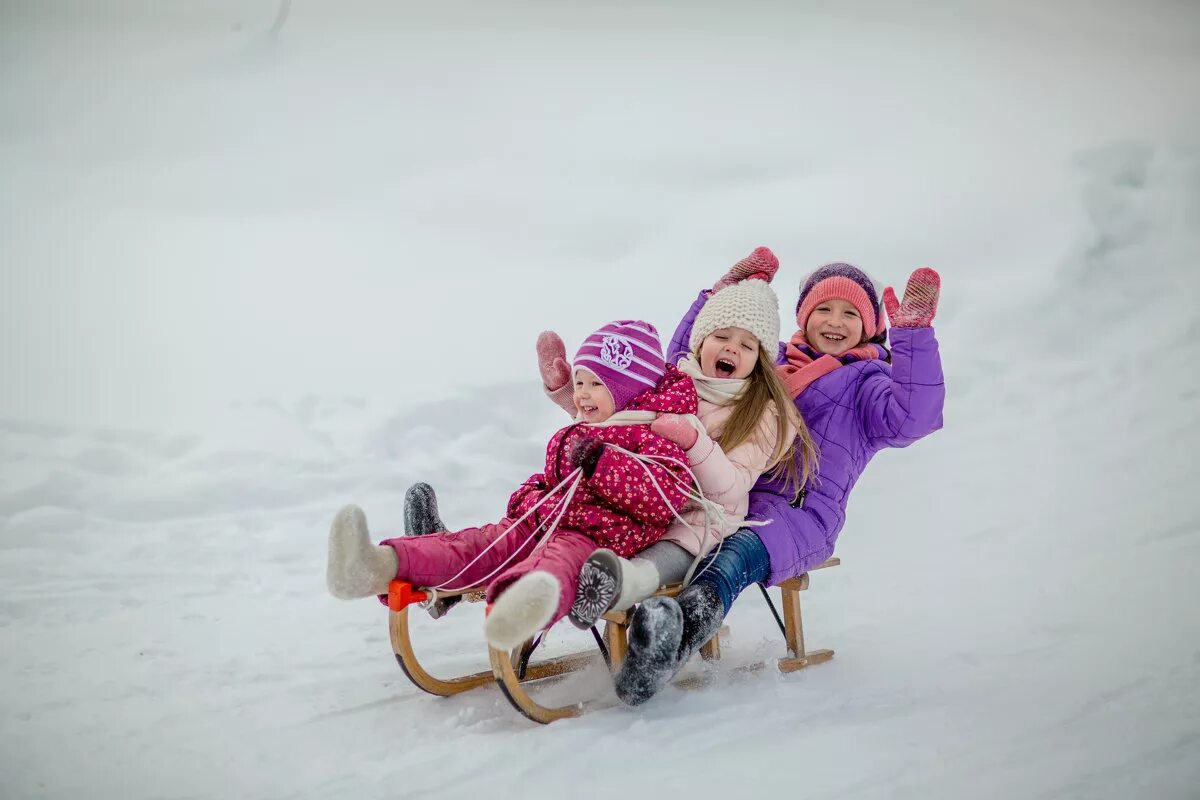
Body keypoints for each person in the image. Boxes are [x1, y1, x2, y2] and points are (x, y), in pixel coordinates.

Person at [613, 262, 945, 705]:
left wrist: (913, 339)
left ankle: (678, 631)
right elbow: (689, 373)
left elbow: (913, 418)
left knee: (736, 553)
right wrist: (720, 297)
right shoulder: (770, 361)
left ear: (869, 327)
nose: (834, 321)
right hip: (725, 491)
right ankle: (618, 601)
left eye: (850, 314)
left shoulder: (869, 384)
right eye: (824, 308)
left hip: (798, 514)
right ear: (803, 315)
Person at [325, 320, 697, 651]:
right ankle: (375, 566)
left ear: (629, 389)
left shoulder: (657, 437)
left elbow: (659, 500)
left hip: (595, 536)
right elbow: (555, 479)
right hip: (540, 520)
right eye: (580, 381)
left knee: (559, 564)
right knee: (472, 546)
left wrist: (601, 462)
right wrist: (532, 493)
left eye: (596, 384)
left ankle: (521, 608)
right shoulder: (587, 427)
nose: (581, 393)